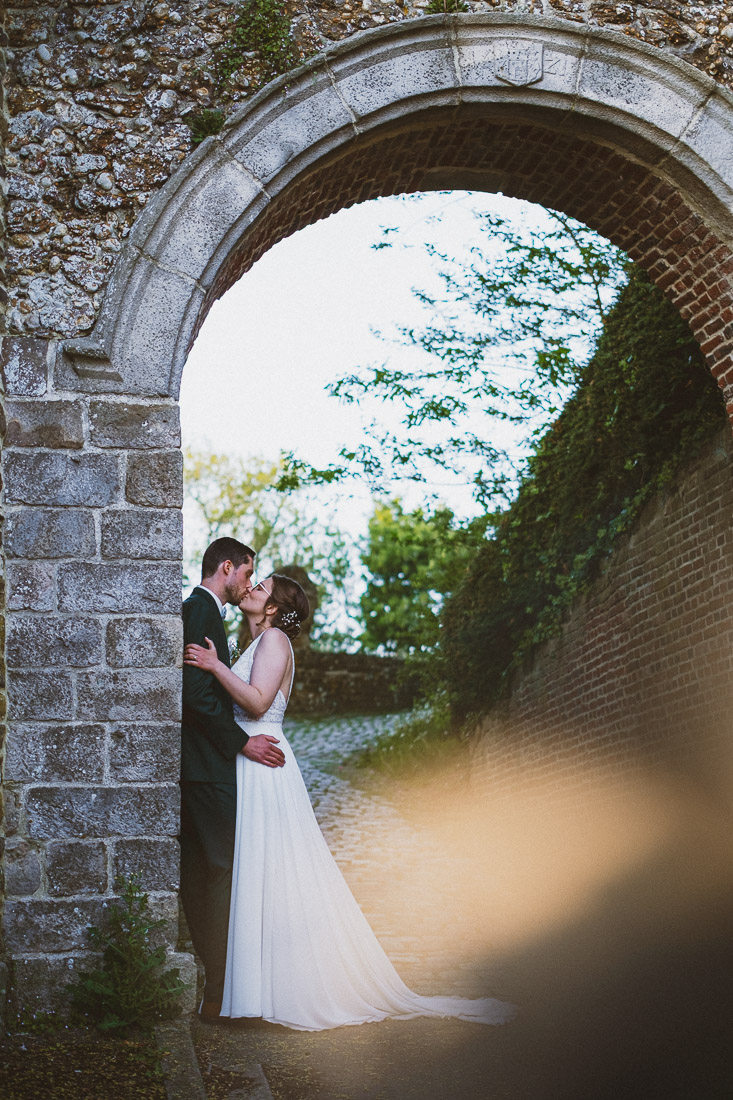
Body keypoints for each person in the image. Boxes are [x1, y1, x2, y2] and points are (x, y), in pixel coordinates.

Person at [184, 571, 516, 1031]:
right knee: (258, 874)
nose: (252, 589)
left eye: (261, 588)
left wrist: (214, 666)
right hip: (249, 760)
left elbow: (258, 703)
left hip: (264, 760)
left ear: (274, 608)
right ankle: (254, 988)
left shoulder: (275, 640)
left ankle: (276, 990)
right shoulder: (258, 642)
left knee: (270, 871)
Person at [180, 537, 286, 1021]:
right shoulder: (202, 611)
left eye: (256, 582)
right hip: (211, 767)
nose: (248, 584)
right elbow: (197, 697)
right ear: (227, 567)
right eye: (247, 574)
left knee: (211, 874)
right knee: (219, 874)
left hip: (213, 767)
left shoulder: (214, 617)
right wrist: (241, 743)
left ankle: (223, 985)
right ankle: (222, 988)